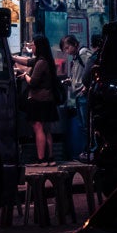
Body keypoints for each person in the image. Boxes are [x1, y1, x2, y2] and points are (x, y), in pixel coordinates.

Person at [26, 35, 62, 163]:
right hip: (48, 99)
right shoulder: (46, 60)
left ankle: (40, 158)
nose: (32, 47)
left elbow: (33, 82)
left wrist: (25, 75)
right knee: (46, 128)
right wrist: (12, 57)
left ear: (39, 46)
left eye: (33, 45)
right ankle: (50, 157)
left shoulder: (41, 62)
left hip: (39, 99)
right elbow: (26, 61)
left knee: (38, 127)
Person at [64, 34, 95, 160]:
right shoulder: (77, 57)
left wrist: (86, 87)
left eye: (67, 48)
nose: (67, 51)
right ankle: (86, 151)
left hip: (83, 95)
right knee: (83, 125)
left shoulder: (83, 54)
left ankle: (89, 151)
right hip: (78, 94)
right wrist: (71, 80)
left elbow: (92, 70)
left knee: (86, 125)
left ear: (75, 44)